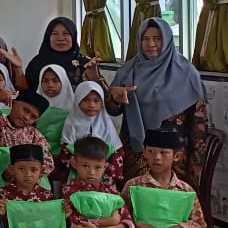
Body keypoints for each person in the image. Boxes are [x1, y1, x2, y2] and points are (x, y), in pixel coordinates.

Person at [108, 17, 209, 182]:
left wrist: (196, 164)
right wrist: (115, 99)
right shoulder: (127, 71)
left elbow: (199, 122)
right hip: (136, 153)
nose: (151, 44)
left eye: (157, 38)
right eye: (145, 39)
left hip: (173, 156)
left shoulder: (187, 73)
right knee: (136, 194)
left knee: (170, 196)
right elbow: (112, 109)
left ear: (167, 40)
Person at [0, 88, 55, 185]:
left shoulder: (34, 135)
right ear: (13, 102)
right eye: (25, 110)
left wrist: (23, 173)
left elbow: (49, 164)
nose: (26, 117)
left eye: (33, 117)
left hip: (27, 186)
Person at [60, 82, 125, 186]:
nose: (91, 105)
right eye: (85, 100)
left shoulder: (106, 125)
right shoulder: (71, 124)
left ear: (102, 103)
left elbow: (117, 153)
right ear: (77, 100)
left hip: (103, 178)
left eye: (96, 101)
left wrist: (109, 178)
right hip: (76, 177)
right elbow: (66, 153)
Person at [24, 17, 102, 89]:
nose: (60, 38)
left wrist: (93, 75)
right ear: (48, 37)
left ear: (73, 36)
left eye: (66, 33)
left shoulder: (86, 63)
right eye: (55, 34)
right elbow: (27, 93)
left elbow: (100, 95)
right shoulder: (37, 63)